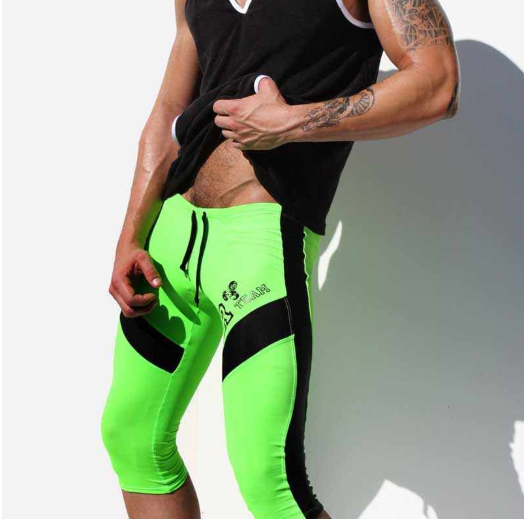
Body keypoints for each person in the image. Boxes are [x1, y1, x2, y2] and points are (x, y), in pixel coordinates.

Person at [100, 0, 460, 517]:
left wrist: (291, 122)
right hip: (172, 240)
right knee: (132, 439)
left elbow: (437, 83)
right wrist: (130, 236)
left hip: (259, 242)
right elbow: (168, 113)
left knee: (271, 482)